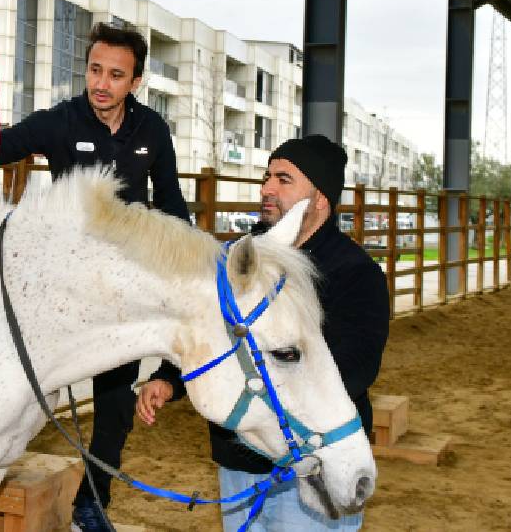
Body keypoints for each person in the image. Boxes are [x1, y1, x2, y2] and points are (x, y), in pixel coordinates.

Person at [136, 134, 390, 531]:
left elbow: (355, 368)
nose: (267, 189)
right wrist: (169, 379)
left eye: (284, 179)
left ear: (320, 198)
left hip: (311, 465)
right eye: (267, 177)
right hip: (239, 456)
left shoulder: (354, 273)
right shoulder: (245, 258)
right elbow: (214, 329)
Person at [0, 22, 189, 532]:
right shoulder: (60, 121)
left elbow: (170, 202)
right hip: (63, 278)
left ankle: (92, 501)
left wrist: (189, 261)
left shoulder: (152, 131)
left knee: (115, 402)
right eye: (95, 70)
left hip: (122, 286)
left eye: (116, 75)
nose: (101, 83)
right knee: (20, 378)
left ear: (137, 81)